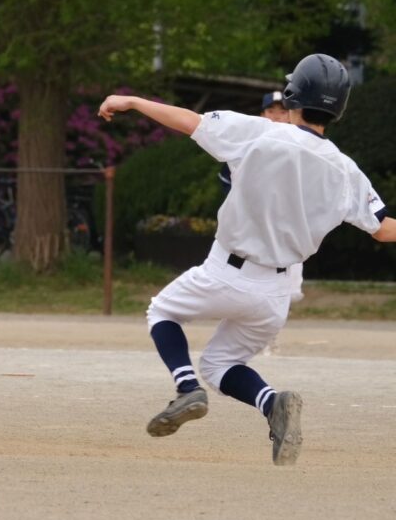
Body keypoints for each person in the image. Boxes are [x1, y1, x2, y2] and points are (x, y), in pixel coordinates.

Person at [98, 53, 396, 466]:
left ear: (292, 94)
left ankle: (186, 390)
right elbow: (384, 229)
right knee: (221, 363)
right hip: (276, 294)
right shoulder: (346, 171)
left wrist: (132, 101)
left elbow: (190, 121)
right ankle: (272, 404)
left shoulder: (259, 132)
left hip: (226, 271)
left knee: (162, 312)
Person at [217, 90, 305, 355]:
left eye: (282, 111)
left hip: (288, 232)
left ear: (291, 115)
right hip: (250, 231)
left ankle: (268, 335)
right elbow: (229, 184)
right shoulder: (249, 145)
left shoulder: (307, 148)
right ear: (262, 115)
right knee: (235, 282)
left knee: (287, 287)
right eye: (271, 111)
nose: (277, 117)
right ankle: (237, 336)